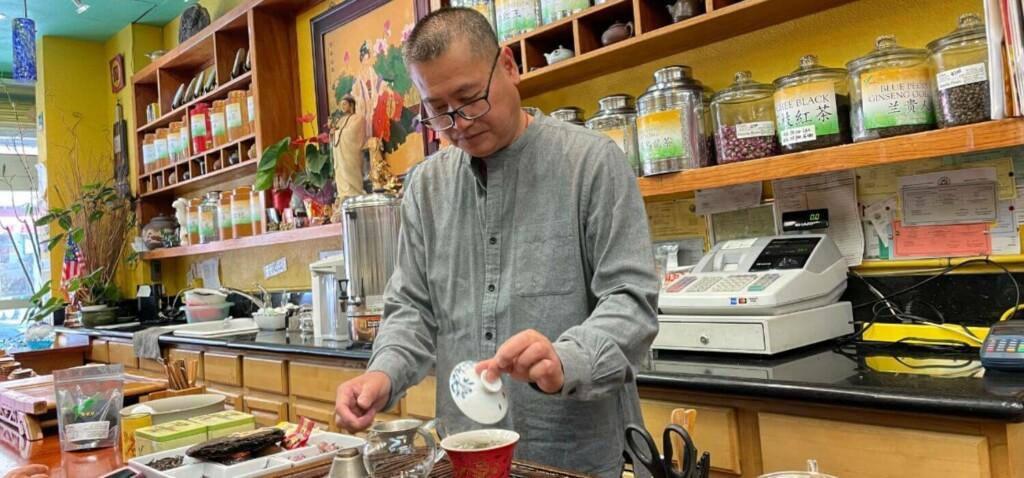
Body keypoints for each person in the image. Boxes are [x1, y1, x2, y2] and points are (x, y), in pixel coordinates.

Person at [333, 7, 658, 476]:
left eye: (469, 98)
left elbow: (631, 302)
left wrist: (565, 359)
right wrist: (382, 374)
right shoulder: (426, 188)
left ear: (508, 66)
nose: (458, 123)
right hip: (463, 450)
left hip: (571, 453)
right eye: (437, 110)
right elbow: (412, 311)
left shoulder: (591, 163)